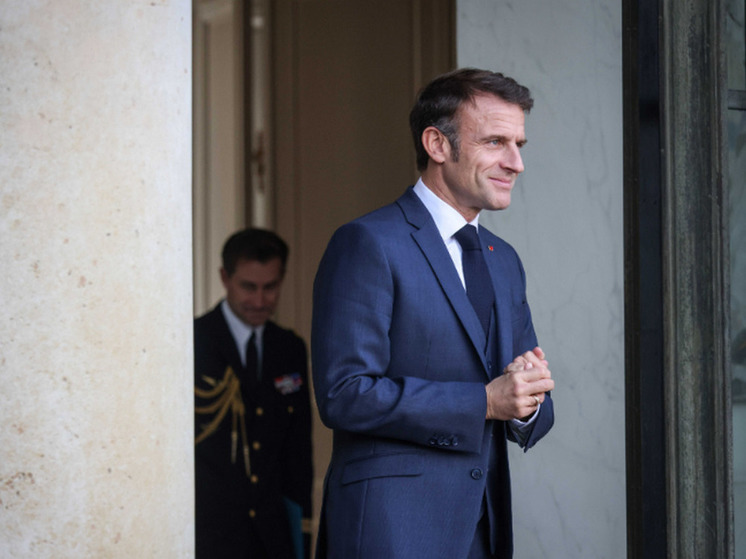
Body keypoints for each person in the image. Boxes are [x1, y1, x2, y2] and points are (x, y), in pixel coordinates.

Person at [311, 68, 555, 559]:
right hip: (390, 531)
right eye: (495, 142)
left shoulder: (504, 260)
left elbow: (528, 401)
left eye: (519, 144)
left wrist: (527, 400)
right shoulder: (367, 243)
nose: (516, 163)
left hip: (484, 530)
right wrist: (483, 402)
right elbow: (344, 394)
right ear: (437, 144)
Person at [194, 228, 313, 559]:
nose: (260, 301)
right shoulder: (194, 341)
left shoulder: (289, 348)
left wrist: (302, 535)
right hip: (210, 536)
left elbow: (298, 452)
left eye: (270, 287)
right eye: (248, 287)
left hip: (273, 538)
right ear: (225, 278)